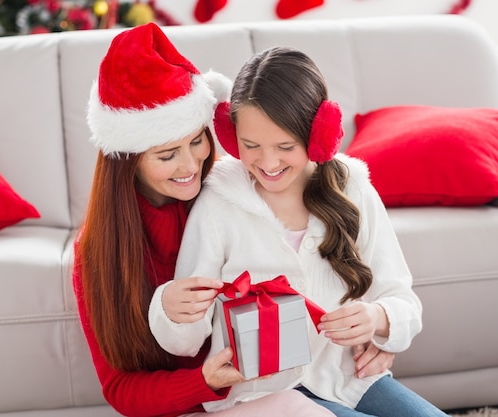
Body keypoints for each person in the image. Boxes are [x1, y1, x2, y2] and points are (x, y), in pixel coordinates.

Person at [148, 46, 450, 417]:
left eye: (285, 146)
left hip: (346, 379)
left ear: (320, 134)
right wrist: (171, 310)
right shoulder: (218, 202)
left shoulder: (354, 189)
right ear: (230, 135)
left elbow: (402, 298)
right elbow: (185, 341)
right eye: (250, 146)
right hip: (258, 394)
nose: (268, 162)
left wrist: (377, 318)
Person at [73, 23, 338, 417]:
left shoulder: (229, 193)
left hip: (285, 380)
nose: (191, 165)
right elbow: (121, 390)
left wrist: (364, 330)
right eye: (167, 155)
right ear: (127, 161)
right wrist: (206, 382)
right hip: (215, 402)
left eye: (197, 140)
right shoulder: (99, 253)